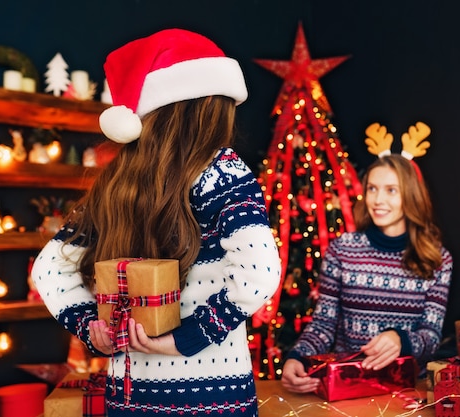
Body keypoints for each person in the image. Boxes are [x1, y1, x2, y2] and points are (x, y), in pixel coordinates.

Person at [31, 28, 281, 416]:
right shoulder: (222, 171)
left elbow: (48, 269)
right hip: (212, 396)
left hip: (130, 394)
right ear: (207, 108)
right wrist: (187, 338)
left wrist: (92, 329)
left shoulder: (114, 183)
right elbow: (261, 272)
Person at [281, 153, 452, 393]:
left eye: (391, 190)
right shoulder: (342, 249)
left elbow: (431, 338)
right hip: (348, 386)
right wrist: (297, 358)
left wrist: (400, 340)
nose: (378, 199)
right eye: (372, 188)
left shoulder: (437, 259)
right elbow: (323, 324)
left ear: (411, 195)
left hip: (409, 391)